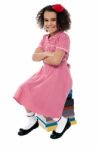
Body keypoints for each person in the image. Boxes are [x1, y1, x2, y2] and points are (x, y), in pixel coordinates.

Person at [13, 4, 73, 139]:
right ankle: (32, 119)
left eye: (53, 19)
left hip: (59, 76)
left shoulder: (63, 37)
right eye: (46, 20)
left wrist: (43, 56)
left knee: (46, 95)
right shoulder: (45, 38)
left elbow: (56, 61)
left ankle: (62, 121)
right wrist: (48, 54)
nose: (49, 23)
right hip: (44, 73)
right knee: (24, 88)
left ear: (61, 20)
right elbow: (34, 57)